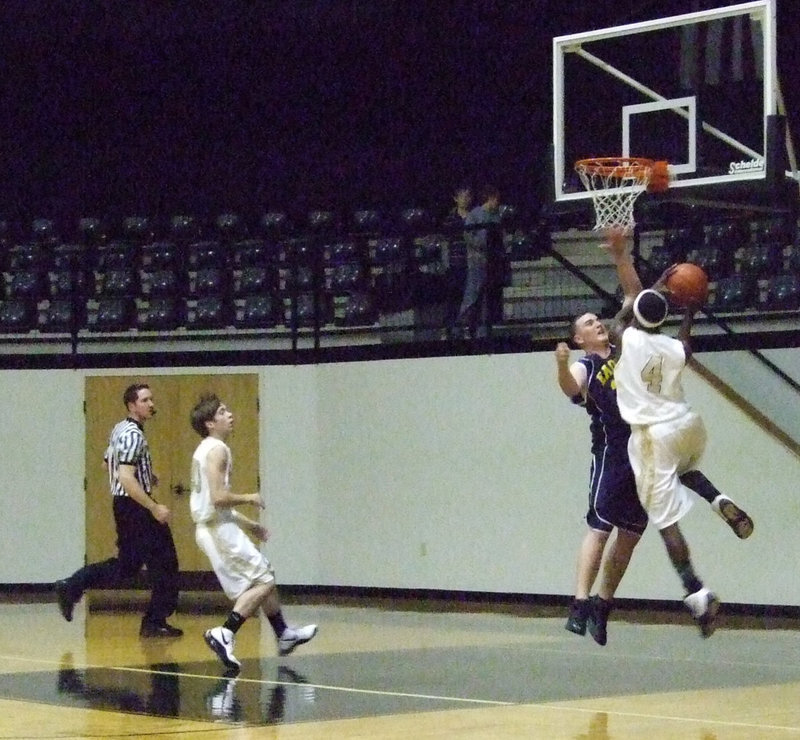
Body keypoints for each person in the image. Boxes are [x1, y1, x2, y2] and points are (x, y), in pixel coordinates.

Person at [607, 232, 754, 637]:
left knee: (666, 522)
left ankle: (697, 594)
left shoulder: (627, 338)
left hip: (653, 436)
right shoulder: (671, 349)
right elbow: (685, 343)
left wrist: (656, 287)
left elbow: (619, 320)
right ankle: (717, 498)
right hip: (688, 425)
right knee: (683, 467)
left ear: (638, 315)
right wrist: (691, 309)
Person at [189, 393, 317, 673]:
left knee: (261, 577)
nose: (230, 415)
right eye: (223, 412)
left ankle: (283, 634)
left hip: (216, 526)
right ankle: (225, 632)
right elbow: (219, 498)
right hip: (217, 530)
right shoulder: (217, 450)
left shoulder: (205, 448)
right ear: (210, 423)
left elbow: (215, 504)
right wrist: (249, 497)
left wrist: (250, 525)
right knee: (263, 581)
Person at [55, 383, 181, 638]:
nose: (151, 404)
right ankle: (154, 620)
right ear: (132, 405)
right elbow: (124, 476)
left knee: (128, 566)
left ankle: (73, 585)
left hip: (124, 506)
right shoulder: (134, 435)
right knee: (166, 563)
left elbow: (106, 464)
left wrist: (145, 475)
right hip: (136, 507)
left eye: (151, 399)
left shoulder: (119, 429)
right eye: (145, 400)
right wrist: (153, 506)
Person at [555, 309, 648, 646]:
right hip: (612, 455)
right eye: (589, 323)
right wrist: (562, 365)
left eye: (598, 320)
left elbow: (634, 300)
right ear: (580, 339)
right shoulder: (586, 365)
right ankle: (579, 602)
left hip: (644, 454)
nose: (597, 324)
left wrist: (625, 260)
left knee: (631, 535)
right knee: (599, 529)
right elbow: (570, 387)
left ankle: (603, 603)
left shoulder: (624, 350)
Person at [456, 185, 505, 338]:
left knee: (487, 297)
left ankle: (483, 330)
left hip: (492, 262)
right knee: (472, 295)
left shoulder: (496, 216)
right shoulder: (475, 215)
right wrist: (483, 245)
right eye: (496, 199)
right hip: (477, 262)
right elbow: (469, 237)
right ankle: (460, 327)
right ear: (490, 198)